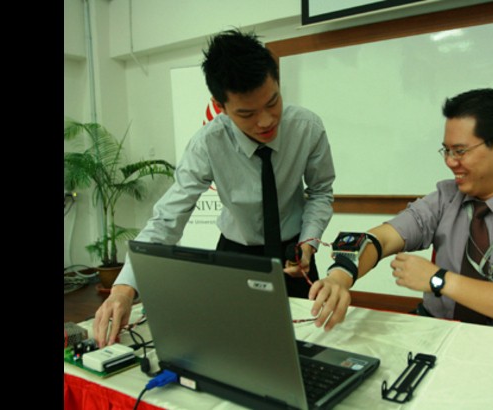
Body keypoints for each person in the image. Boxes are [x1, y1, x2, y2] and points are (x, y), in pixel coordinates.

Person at [93, 29, 336, 347]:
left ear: (277, 82)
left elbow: (320, 191)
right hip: (235, 255)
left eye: (272, 102)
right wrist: (124, 287)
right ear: (219, 105)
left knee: (308, 343)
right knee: (234, 344)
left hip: (296, 252)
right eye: (246, 114)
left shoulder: (307, 128)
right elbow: (168, 219)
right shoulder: (207, 144)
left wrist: (309, 242)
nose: (265, 121)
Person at [309, 88, 493, 332]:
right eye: (446, 151)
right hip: (437, 329)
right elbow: (386, 237)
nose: (450, 162)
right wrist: (341, 275)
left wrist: (440, 280)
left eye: (460, 151)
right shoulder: (448, 196)